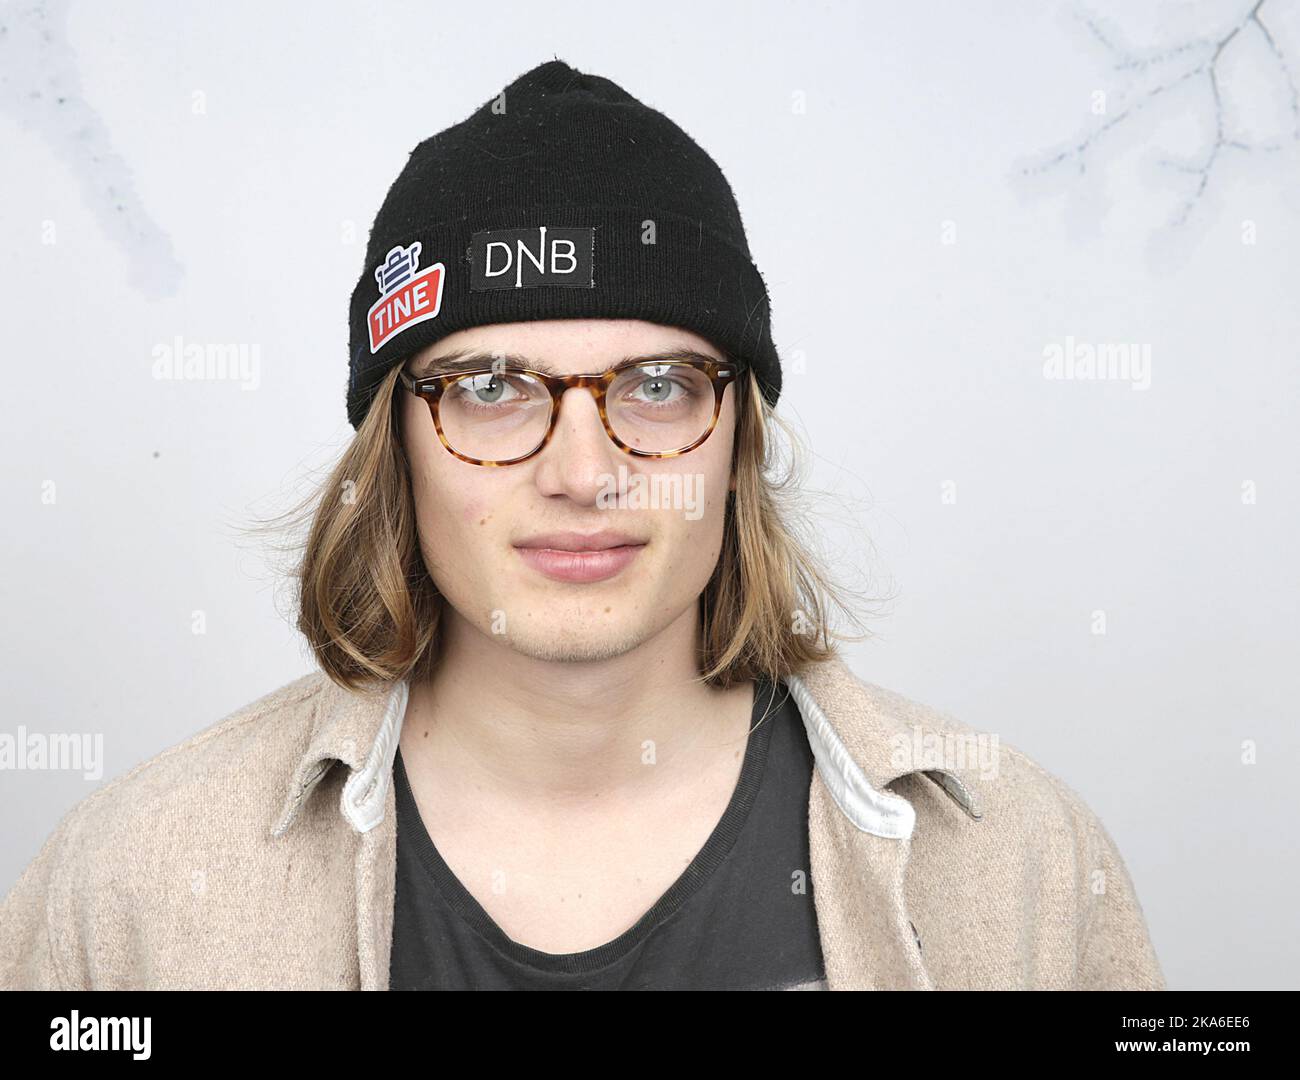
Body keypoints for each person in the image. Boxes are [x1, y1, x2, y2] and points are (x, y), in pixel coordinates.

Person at [0, 59, 1164, 991]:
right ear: (393, 444)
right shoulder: (133, 886)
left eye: (655, 384)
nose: (582, 471)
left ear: (737, 437)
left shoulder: (1018, 858)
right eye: (492, 387)